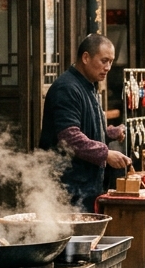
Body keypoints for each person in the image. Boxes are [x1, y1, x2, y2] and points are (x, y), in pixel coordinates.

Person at [38, 34, 131, 210]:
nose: (108, 67)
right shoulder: (67, 88)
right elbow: (69, 137)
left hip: (85, 185)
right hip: (68, 186)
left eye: (111, 62)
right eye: (104, 60)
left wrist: (109, 133)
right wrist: (105, 154)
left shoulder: (89, 85)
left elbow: (85, 127)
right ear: (86, 57)